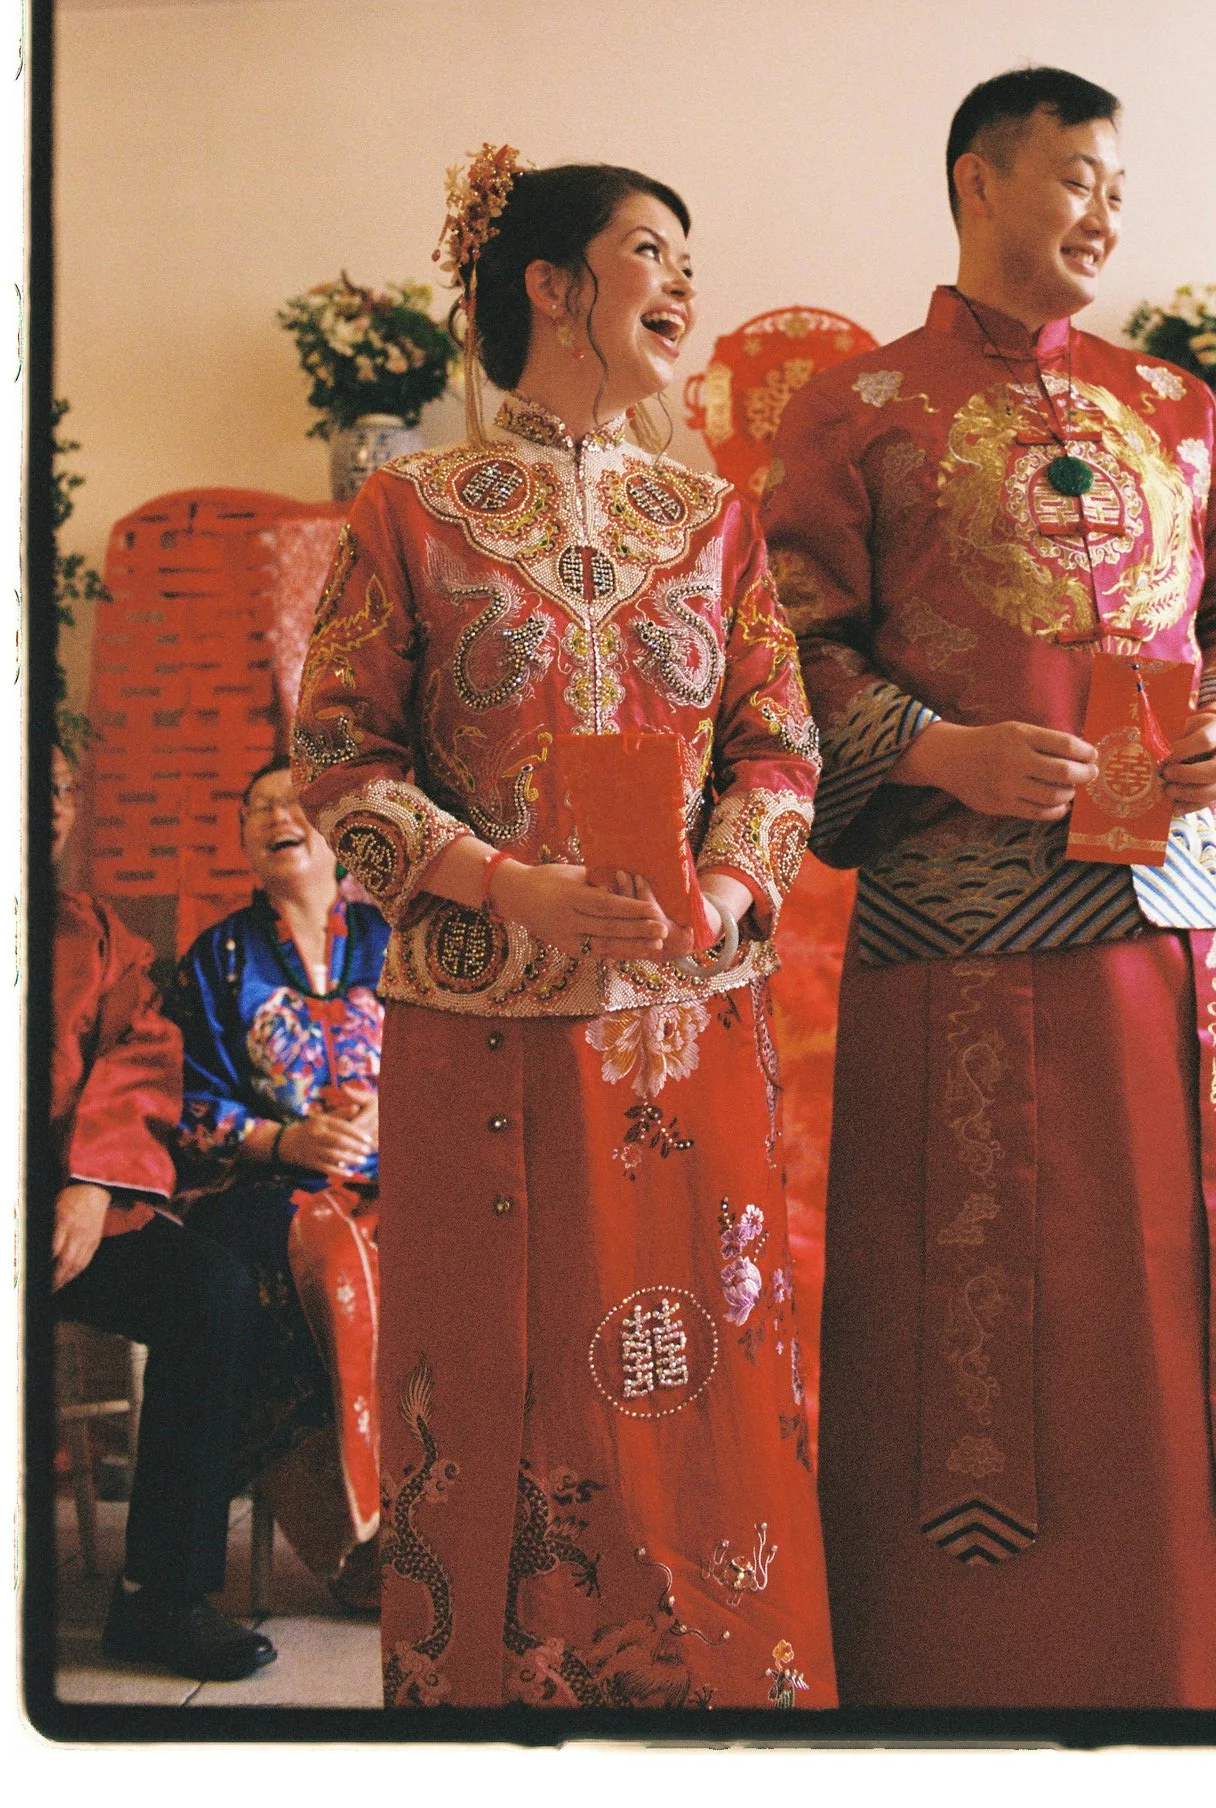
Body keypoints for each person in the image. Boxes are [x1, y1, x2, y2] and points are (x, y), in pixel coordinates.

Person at [762, 65, 1216, 1710]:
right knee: (997, 1318)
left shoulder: (1174, 405)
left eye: (1119, 187)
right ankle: (971, 1680)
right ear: (980, 179)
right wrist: (940, 752)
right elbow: (788, 647)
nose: (1106, 213)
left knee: (1195, 1305)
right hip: (959, 942)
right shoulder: (855, 407)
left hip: (1178, 932)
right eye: (1078, 178)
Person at [291, 150, 835, 1711]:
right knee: (496, 1369)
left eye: (687, 259)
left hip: (684, 1028)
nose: (684, 286)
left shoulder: (714, 523)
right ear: (550, 283)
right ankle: (495, 1701)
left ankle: (716, 1689)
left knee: (694, 1364)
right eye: (651, 252)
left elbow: (780, 748)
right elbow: (337, 757)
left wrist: (723, 889)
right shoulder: (411, 510)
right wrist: (499, 883)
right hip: (482, 1035)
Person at [48, 746, 275, 1682]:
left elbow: (142, 1053)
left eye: (63, 788)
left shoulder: (94, 933)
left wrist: (93, 1182)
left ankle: (162, 1598)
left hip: (71, 1214)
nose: (50, 805)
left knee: (210, 1290)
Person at [172, 759, 386, 1610]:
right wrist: (284, 1140)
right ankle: (366, 1537)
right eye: (256, 807)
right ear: (243, 844)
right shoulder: (218, 957)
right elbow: (184, 1101)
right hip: (261, 1192)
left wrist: (393, 1112)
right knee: (334, 1255)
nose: (275, 815)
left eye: (295, 802)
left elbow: (454, 1064)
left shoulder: (393, 941)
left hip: (393, 1181)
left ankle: (451, 1520)